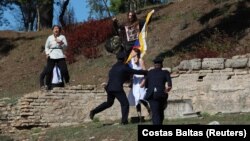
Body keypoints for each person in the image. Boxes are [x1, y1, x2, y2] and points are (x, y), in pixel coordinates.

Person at [89, 52, 147, 125]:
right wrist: (146, 72)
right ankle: (124, 121)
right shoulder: (124, 67)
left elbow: (117, 76)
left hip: (109, 88)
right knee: (125, 103)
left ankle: (94, 111)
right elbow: (135, 71)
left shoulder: (114, 66)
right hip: (117, 88)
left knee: (109, 103)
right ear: (124, 59)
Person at [141, 57, 172, 125]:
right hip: (161, 95)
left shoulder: (149, 73)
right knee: (160, 112)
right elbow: (169, 86)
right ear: (162, 65)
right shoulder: (165, 72)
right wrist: (165, 90)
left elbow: (146, 85)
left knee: (155, 113)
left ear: (154, 65)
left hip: (151, 95)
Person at [43, 25, 70, 90]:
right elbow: (46, 46)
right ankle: (47, 85)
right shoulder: (49, 37)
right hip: (51, 54)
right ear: (53, 30)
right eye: (55, 28)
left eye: (57, 29)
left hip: (60, 54)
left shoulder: (62, 37)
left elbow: (66, 46)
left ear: (59, 30)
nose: (56, 30)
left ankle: (67, 82)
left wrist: (60, 42)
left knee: (64, 69)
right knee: (49, 70)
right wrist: (47, 53)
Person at [127, 48, 151, 120]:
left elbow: (145, 72)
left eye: (132, 51)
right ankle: (139, 116)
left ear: (136, 53)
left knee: (141, 98)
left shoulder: (140, 60)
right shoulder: (130, 62)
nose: (131, 53)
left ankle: (149, 109)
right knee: (136, 99)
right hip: (135, 81)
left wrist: (144, 81)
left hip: (141, 80)